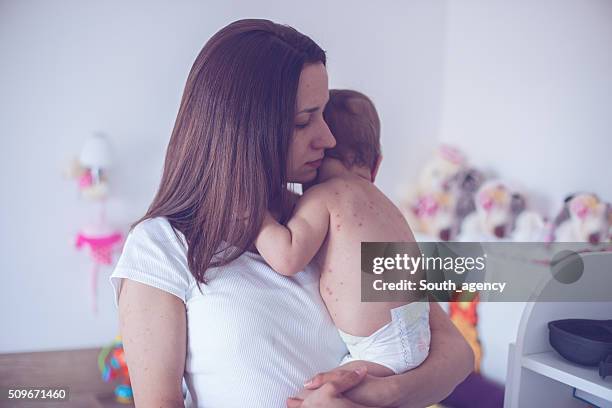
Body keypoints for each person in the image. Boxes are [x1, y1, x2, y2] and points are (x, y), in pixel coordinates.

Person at [111, 18, 474, 408]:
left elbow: (455, 353)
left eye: (324, 115)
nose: (329, 138)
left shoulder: (338, 222)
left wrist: (375, 395)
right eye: (304, 121)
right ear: (244, 131)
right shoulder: (160, 247)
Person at [255, 89, 431, 380]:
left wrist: (256, 216)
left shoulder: (324, 196)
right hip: (418, 335)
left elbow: (286, 258)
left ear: (318, 151)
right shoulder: (385, 204)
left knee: (317, 396)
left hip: (379, 350)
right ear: (376, 165)